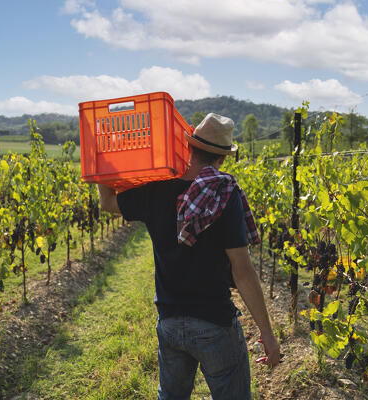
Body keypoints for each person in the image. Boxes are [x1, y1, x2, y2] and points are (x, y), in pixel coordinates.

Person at [98, 112, 280, 400]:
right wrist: (268, 335)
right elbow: (242, 271)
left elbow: (107, 202)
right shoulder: (225, 194)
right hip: (214, 324)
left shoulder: (156, 190)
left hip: (169, 323)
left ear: (190, 147)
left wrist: (105, 165)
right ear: (222, 159)